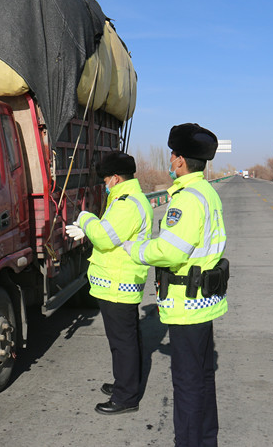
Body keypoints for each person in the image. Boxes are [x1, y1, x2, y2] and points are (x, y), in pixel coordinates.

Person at [122, 123, 228, 447]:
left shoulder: (187, 199)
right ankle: (206, 440)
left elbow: (169, 250)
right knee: (202, 378)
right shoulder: (207, 192)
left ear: (181, 160)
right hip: (203, 302)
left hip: (185, 304)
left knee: (187, 385)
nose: (170, 160)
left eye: (172, 155)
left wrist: (136, 250)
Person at [65, 151, 153, 415]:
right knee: (127, 339)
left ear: (116, 178)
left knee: (122, 342)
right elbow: (111, 233)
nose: (104, 184)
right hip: (118, 282)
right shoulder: (125, 200)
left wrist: (85, 218)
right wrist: (93, 229)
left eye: (105, 179)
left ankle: (126, 397)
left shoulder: (127, 203)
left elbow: (104, 237)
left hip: (118, 284)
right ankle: (125, 383)